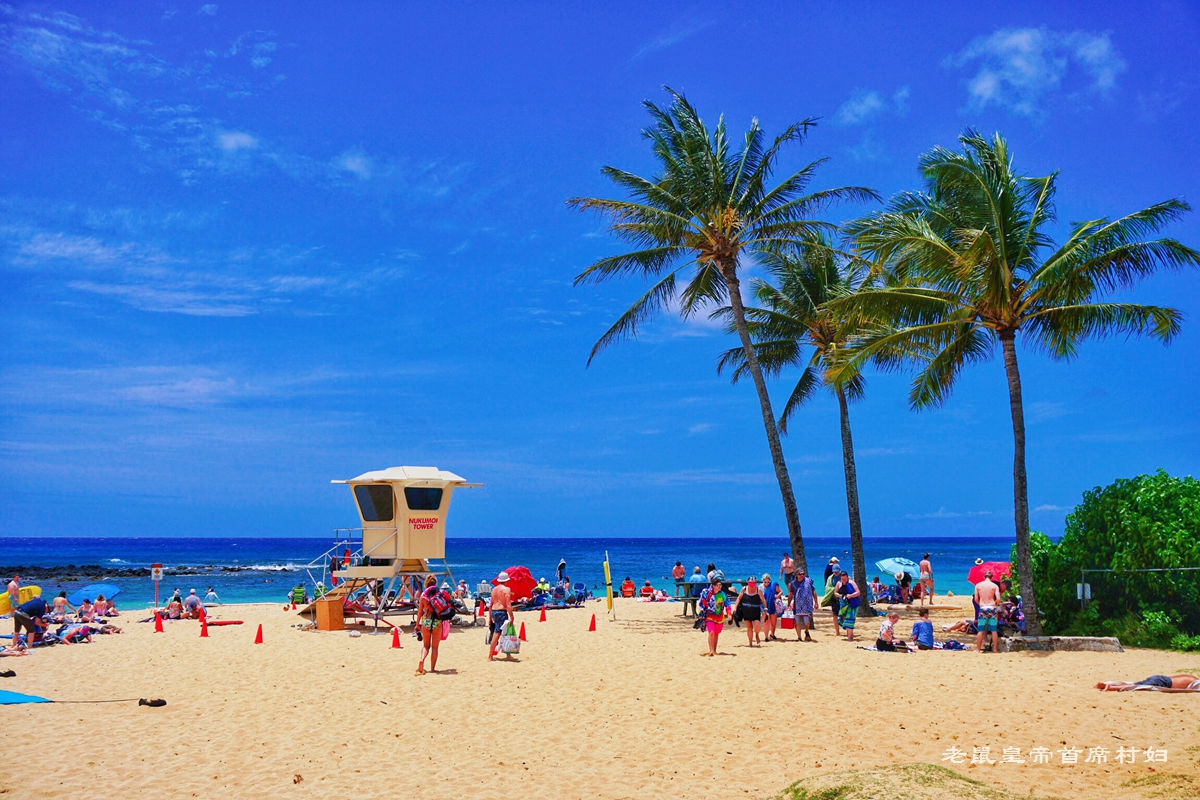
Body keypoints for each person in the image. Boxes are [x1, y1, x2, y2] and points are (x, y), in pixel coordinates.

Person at [416, 575, 444, 675]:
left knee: (426, 645)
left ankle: (422, 660)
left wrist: (417, 625)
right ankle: (432, 669)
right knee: (435, 647)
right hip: (437, 620)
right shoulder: (439, 593)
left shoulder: (423, 595)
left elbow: (419, 612)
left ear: (426, 583)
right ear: (435, 583)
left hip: (426, 620)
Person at [697, 572, 727, 657]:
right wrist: (701, 614)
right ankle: (711, 650)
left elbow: (727, 603)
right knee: (711, 632)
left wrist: (729, 613)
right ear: (713, 585)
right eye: (718, 585)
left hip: (719, 617)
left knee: (716, 633)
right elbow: (701, 604)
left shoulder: (722, 594)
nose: (720, 587)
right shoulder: (706, 593)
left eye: (720, 585)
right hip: (709, 615)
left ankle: (714, 650)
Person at [488, 571, 515, 661]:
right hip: (501, 612)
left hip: (494, 611)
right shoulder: (506, 589)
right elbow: (508, 604)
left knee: (504, 632)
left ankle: (508, 654)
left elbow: (490, 605)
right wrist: (512, 616)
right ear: (506, 580)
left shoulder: (494, 589)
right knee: (497, 633)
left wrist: (489, 618)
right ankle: (490, 656)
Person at [974, 569, 1002, 653]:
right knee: (993, 629)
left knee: (981, 629)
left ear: (984, 577)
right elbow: (998, 599)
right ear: (992, 578)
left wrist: (981, 604)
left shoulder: (978, 585)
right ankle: (995, 649)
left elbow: (976, 598)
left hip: (983, 607)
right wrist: (995, 604)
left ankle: (978, 649)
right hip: (992, 607)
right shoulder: (994, 586)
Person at [788, 567, 819, 642]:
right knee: (797, 622)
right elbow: (790, 594)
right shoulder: (793, 584)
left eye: (803, 574)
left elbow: (813, 591)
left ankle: (806, 631)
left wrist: (816, 602)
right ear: (796, 575)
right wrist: (789, 604)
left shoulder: (808, 581)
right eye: (800, 574)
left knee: (807, 622)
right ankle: (799, 637)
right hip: (797, 606)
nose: (802, 575)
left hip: (807, 605)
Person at [734, 576, 764, 647]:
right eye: (750, 583)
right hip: (746, 611)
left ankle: (756, 635)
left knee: (757, 626)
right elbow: (739, 598)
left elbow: (763, 600)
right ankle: (750, 643)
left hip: (756, 611)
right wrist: (735, 607)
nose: (752, 584)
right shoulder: (744, 589)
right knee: (749, 627)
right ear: (747, 583)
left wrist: (765, 609)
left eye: (753, 583)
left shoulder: (758, 590)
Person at [1096, 674, 1200, 692]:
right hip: (1164, 682)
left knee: (1136, 683)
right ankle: (1111, 687)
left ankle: (1108, 683)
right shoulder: (1195, 682)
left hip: (1161, 678)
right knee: (1137, 686)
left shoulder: (1192, 677)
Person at [836, 572, 861, 641]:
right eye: (842, 579)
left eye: (845, 579)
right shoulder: (839, 583)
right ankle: (850, 635)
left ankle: (849, 638)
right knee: (843, 619)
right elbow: (835, 593)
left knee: (849, 620)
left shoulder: (852, 583)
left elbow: (858, 592)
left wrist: (851, 595)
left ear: (847, 577)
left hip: (852, 604)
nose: (843, 580)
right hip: (843, 605)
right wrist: (840, 596)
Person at [760, 574, 780, 641]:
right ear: (762, 581)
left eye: (768, 582)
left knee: (773, 623)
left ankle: (772, 634)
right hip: (763, 607)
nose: (767, 583)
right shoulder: (759, 588)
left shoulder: (773, 585)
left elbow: (781, 591)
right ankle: (766, 637)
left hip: (772, 606)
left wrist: (777, 596)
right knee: (766, 622)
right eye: (765, 582)